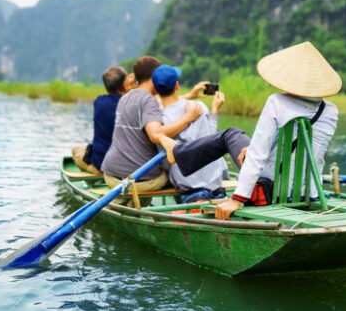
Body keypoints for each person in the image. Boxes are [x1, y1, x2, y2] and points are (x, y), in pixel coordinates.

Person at [159, 41, 340, 220]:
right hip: (308, 193)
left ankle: (176, 152)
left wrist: (237, 199)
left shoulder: (277, 102)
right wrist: (253, 148)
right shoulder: (331, 111)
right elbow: (306, 151)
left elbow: (258, 155)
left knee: (230, 135)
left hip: (269, 191)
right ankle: (177, 152)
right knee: (240, 141)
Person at [101, 56, 203, 196]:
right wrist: (188, 118)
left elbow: (159, 104)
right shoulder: (148, 100)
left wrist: (189, 96)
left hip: (111, 175)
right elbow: (155, 135)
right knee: (178, 174)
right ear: (154, 77)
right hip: (138, 181)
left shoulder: (126, 97)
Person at [153, 64, 250, 203]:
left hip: (187, 187)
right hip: (214, 184)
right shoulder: (198, 107)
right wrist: (214, 110)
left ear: (156, 89)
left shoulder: (158, 120)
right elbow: (212, 140)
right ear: (177, 85)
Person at [72, 65, 129, 174]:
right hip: (123, 164)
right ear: (124, 85)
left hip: (100, 163)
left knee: (75, 150)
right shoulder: (130, 104)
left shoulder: (98, 102)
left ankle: (93, 169)